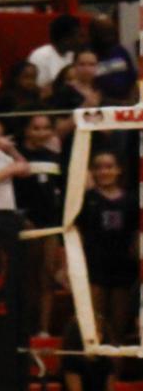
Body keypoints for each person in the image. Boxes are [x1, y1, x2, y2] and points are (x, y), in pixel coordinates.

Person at [76, 150, 139, 350]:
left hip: (123, 266)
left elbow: (136, 233)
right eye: (99, 167)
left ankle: (115, 374)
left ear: (118, 170)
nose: (104, 171)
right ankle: (96, 368)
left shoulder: (132, 200)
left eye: (109, 167)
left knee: (118, 326)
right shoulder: (86, 199)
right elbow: (76, 230)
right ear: (93, 171)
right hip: (95, 264)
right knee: (96, 323)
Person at [86, 14, 137, 103]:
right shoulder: (87, 56)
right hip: (101, 107)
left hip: (126, 104)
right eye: (102, 31)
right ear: (93, 32)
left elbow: (132, 80)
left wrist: (132, 102)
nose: (108, 34)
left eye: (110, 30)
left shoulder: (121, 51)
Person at [28, 13, 83, 92]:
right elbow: (39, 89)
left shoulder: (71, 55)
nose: (80, 40)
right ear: (66, 39)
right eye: (78, 36)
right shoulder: (41, 56)